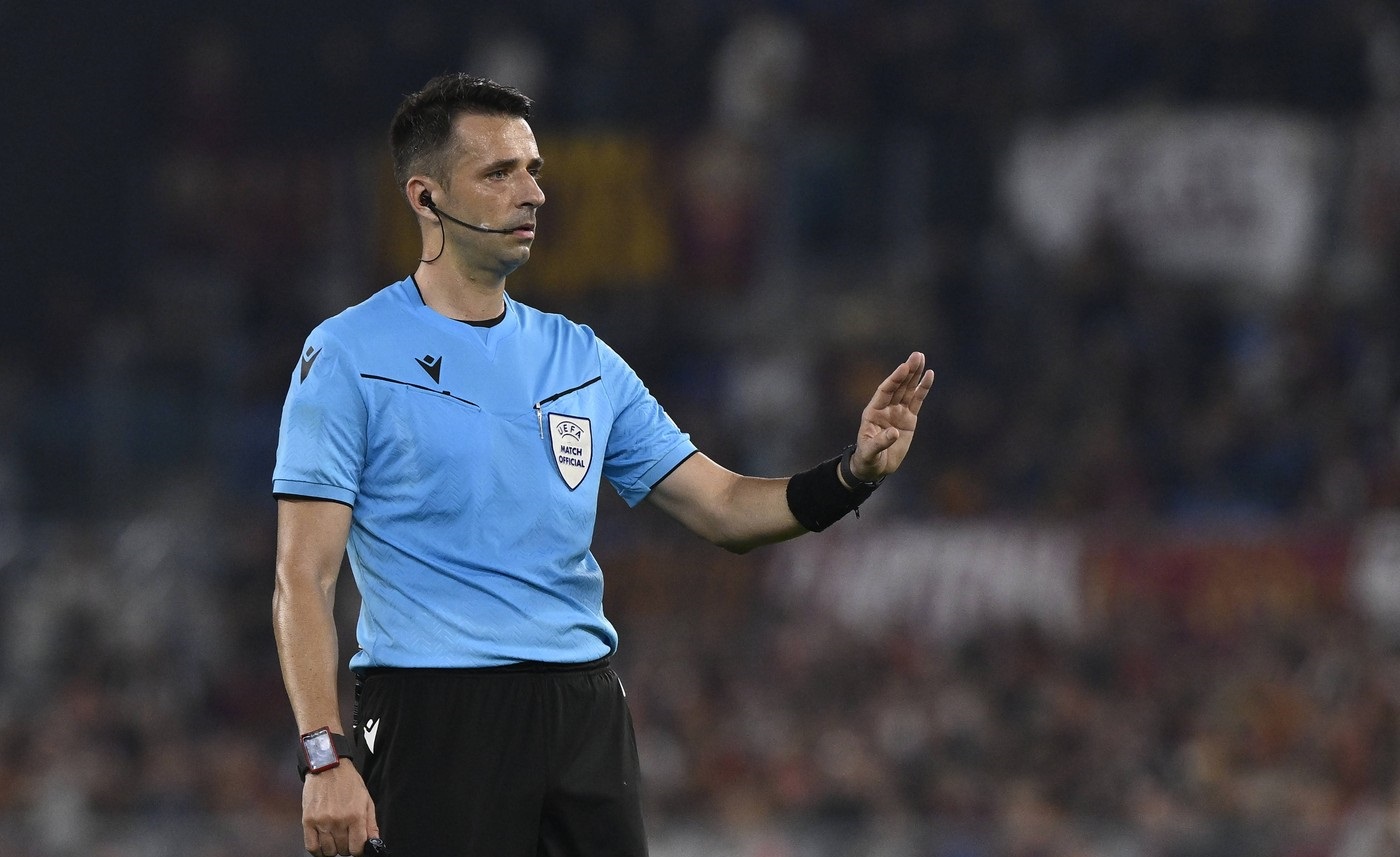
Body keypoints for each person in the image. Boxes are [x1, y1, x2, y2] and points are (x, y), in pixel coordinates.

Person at [271, 73, 935, 857]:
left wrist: (852, 473)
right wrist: (324, 753)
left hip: (583, 714)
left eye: (534, 170)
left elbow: (721, 505)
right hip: (435, 714)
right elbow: (302, 578)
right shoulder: (348, 353)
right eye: (500, 173)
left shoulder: (580, 358)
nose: (533, 194)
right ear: (425, 198)